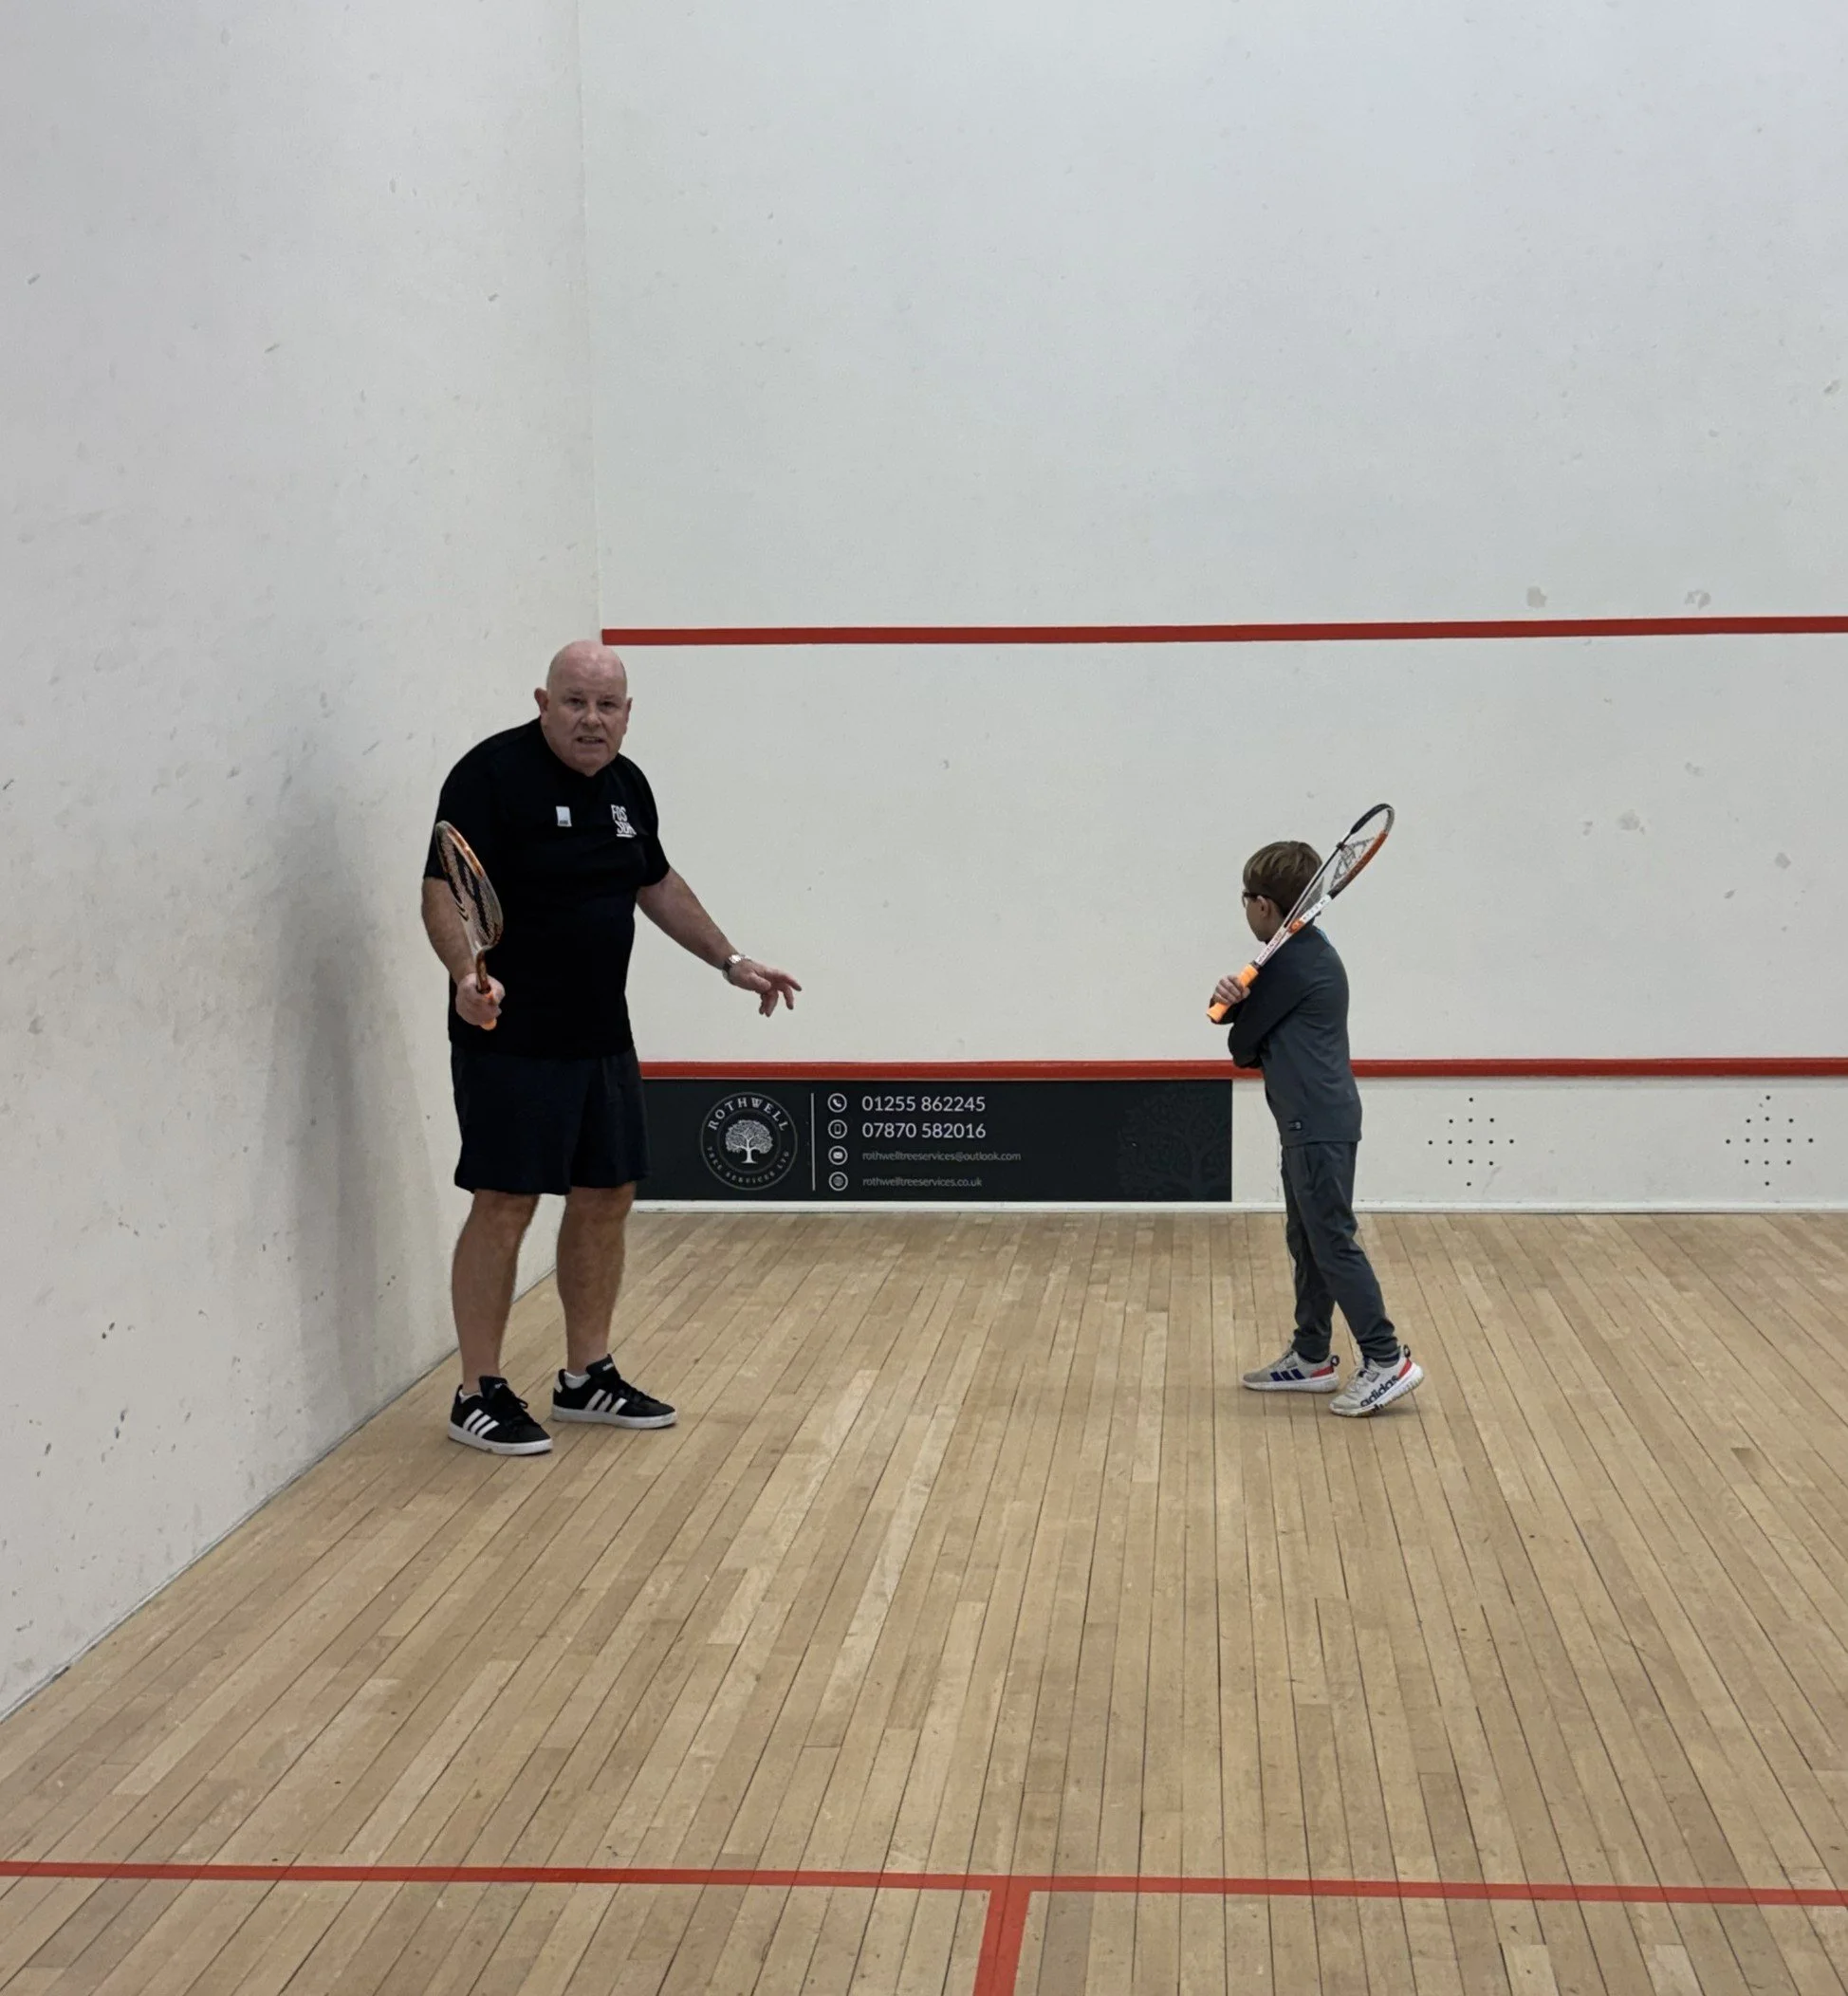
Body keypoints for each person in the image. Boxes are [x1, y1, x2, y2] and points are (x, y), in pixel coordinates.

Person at [421, 640, 801, 1455]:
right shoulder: (489, 777)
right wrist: (464, 975)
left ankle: (585, 1374)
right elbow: (444, 892)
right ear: (543, 701)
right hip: (509, 1033)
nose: (591, 719)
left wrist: (730, 960)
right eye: (575, 702)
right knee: (506, 1202)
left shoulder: (628, 788)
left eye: (607, 706)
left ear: (628, 715)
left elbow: (654, 881)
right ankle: (476, 1390)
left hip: (600, 1034)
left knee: (605, 1193)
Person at [1213, 841, 1422, 1416]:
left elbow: (1240, 1046)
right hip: (1311, 1121)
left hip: (1317, 1123)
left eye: (1246, 899)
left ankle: (1386, 1360)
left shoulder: (1296, 962)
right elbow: (1249, 1027)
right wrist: (1231, 999)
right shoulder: (1300, 952)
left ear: (1264, 904)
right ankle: (1312, 1357)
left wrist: (1234, 1006)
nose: (1244, 908)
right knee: (1307, 1240)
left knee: (1330, 1240)